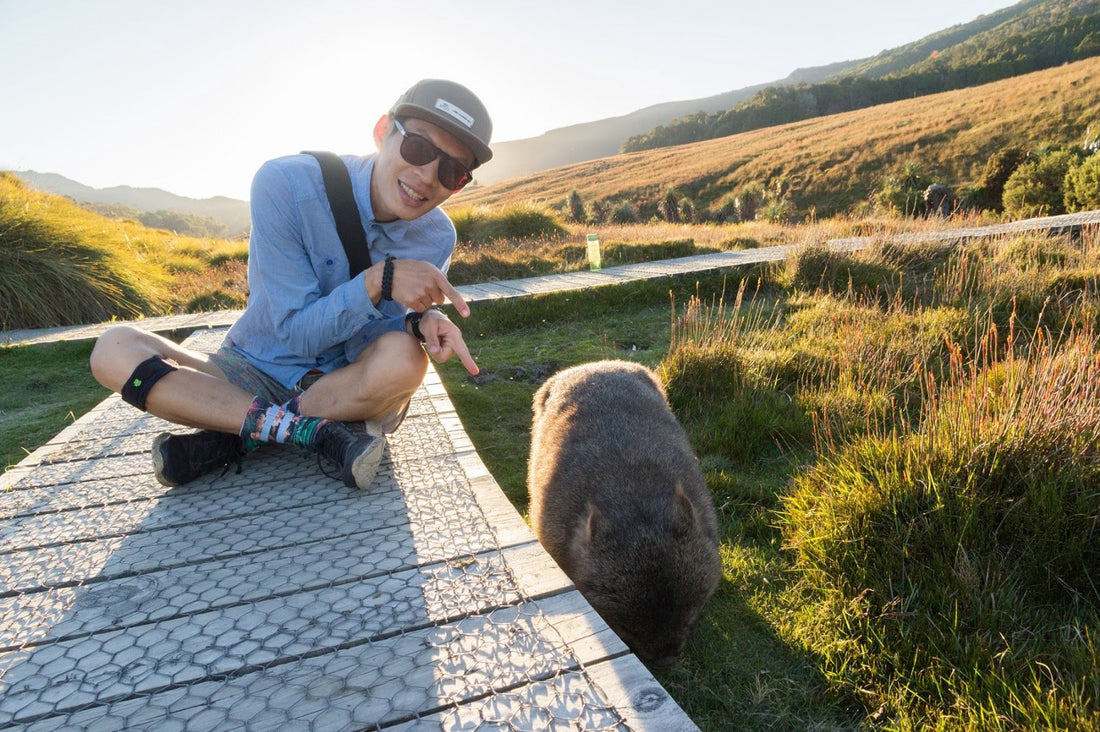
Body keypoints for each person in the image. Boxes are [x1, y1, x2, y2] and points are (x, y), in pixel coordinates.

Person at [89, 78, 492, 491]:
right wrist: (377, 281)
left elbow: (375, 335)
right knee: (113, 350)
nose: (427, 177)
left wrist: (418, 323)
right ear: (382, 132)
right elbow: (297, 335)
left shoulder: (437, 237)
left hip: (341, 385)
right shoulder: (285, 183)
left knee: (406, 361)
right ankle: (313, 433)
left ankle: (239, 434)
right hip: (254, 366)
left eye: (452, 171)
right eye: (419, 148)